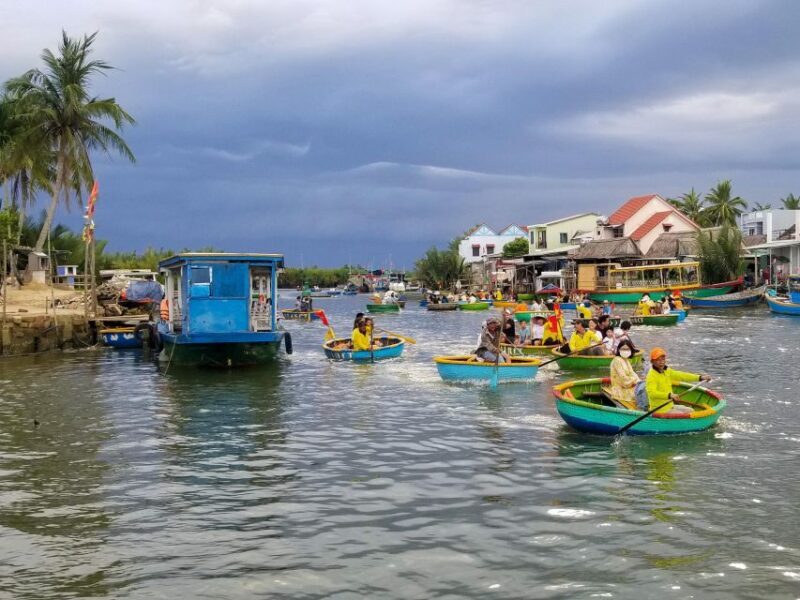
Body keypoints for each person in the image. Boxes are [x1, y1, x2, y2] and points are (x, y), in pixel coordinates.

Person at [643, 347, 711, 416]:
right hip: (659, 410)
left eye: (663, 359)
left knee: (691, 410)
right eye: (658, 360)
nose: (661, 362)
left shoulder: (667, 371)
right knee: (683, 415)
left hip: (670, 405)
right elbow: (652, 393)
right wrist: (670, 395)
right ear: (652, 362)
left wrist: (700, 377)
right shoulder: (651, 376)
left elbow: (682, 375)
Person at [602, 340, 641, 408]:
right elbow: (624, 380)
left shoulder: (626, 360)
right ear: (619, 350)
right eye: (623, 349)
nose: (625, 351)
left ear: (631, 350)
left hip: (629, 386)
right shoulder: (617, 360)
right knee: (642, 393)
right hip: (621, 390)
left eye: (627, 349)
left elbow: (633, 374)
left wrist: (637, 382)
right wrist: (635, 382)